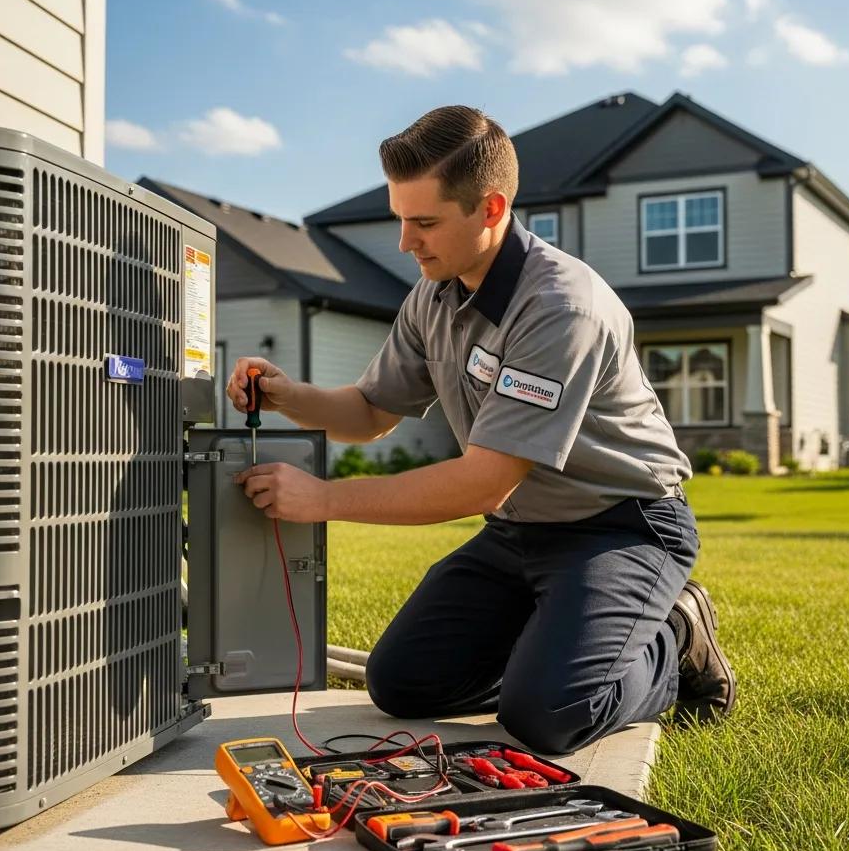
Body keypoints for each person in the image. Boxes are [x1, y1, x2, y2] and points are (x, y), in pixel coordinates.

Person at [226, 105, 735, 754]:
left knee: (549, 716)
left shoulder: (559, 309)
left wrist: (323, 500)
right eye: (400, 219)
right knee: (402, 684)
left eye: (425, 222)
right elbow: (371, 413)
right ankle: (553, 646)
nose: (406, 242)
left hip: (619, 526)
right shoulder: (434, 295)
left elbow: (483, 483)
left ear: (490, 210)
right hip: (518, 533)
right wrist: (287, 395)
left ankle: (676, 634)